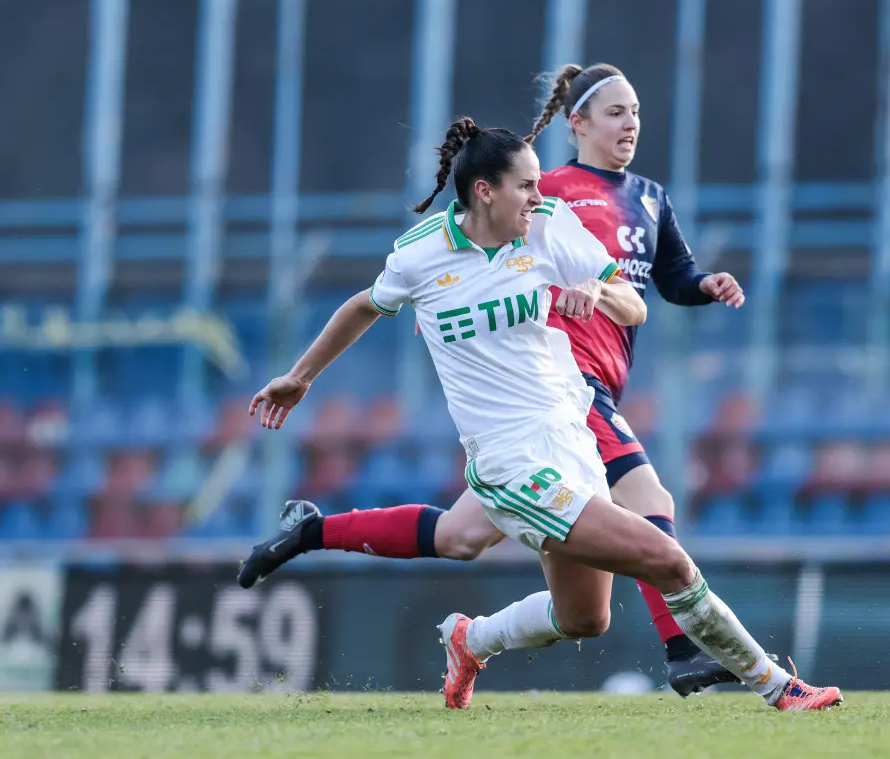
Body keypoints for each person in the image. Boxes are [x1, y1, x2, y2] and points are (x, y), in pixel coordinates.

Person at [240, 117, 842, 713]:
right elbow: (365, 306)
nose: (538, 194)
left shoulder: (550, 226)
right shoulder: (420, 254)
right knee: (667, 559)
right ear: (485, 191)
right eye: (526, 185)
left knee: (585, 617)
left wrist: (597, 291)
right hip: (511, 463)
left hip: (571, 438)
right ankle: (780, 689)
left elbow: (634, 307)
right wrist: (300, 377)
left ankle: (470, 639)